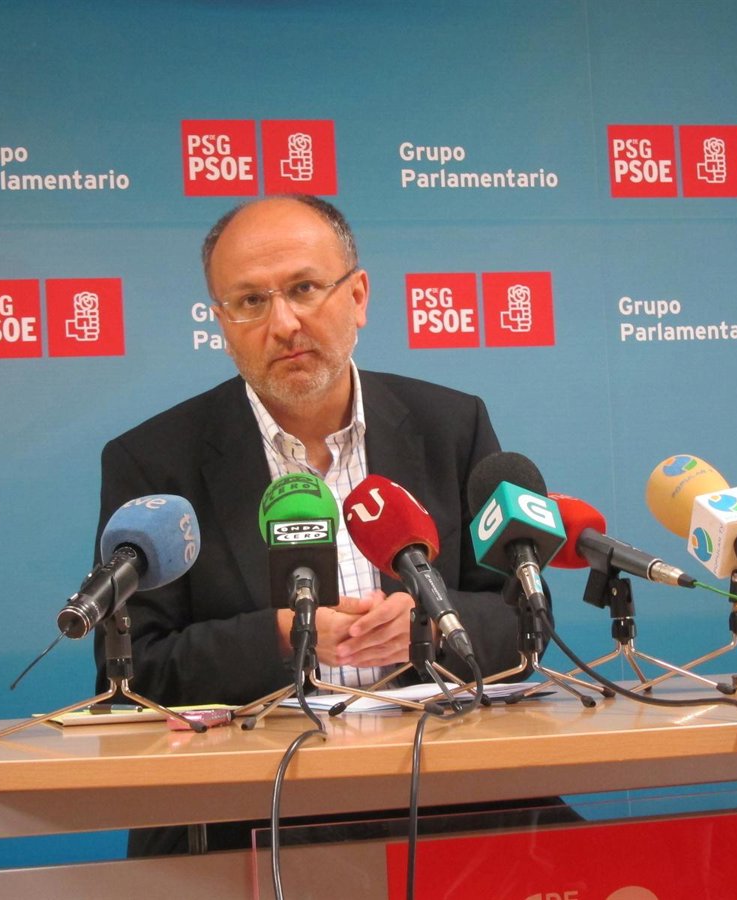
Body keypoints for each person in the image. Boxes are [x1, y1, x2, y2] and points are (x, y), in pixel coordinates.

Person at [94, 195, 543, 855]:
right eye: (250, 301)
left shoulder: (450, 426)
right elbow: (132, 676)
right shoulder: (155, 460)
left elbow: (523, 620)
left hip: (444, 790)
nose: (283, 324)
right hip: (248, 807)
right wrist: (284, 637)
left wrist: (427, 626)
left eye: (304, 289)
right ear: (221, 322)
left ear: (357, 297)